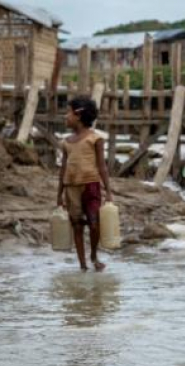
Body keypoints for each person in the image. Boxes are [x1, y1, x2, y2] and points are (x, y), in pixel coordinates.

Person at [57, 96, 113, 271]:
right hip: (71, 187)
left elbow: (102, 167)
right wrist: (59, 194)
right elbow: (63, 168)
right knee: (77, 225)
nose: (65, 116)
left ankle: (94, 255)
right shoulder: (66, 142)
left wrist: (109, 191)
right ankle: (82, 265)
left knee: (94, 223)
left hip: (91, 185)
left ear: (79, 115)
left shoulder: (95, 139)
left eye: (68, 112)